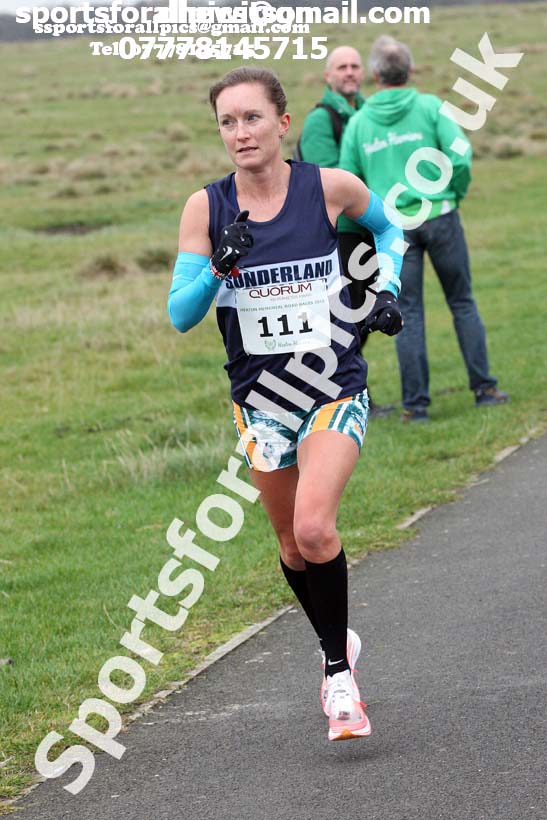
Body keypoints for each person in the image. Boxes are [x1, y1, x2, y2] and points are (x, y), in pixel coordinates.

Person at [167, 67, 404, 741]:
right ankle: (340, 644)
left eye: (251, 117)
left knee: (312, 529)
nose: (239, 132)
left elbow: (388, 230)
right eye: (227, 122)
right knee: (290, 547)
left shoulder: (326, 187)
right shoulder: (205, 209)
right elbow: (181, 315)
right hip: (260, 402)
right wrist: (219, 267)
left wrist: (384, 288)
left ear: (282, 123)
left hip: (332, 384)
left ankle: (336, 674)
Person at [340, 36, 509, 422]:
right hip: (441, 215)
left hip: (394, 230)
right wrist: (453, 194)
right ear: (410, 69)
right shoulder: (431, 107)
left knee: (409, 313)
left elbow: (349, 180)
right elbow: (461, 155)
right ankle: (484, 389)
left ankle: (416, 407)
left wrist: (372, 221)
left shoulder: (359, 123)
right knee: (462, 302)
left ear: (375, 74)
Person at [299, 46, 394, 417]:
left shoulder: (366, 112)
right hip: (340, 236)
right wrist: (379, 184)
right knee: (345, 319)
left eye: (355, 66)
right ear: (328, 76)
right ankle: (346, 397)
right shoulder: (322, 120)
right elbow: (329, 182)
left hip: (369, 230)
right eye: (342, 67)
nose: (350, 72)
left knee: (361, 317)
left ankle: (350, 393)